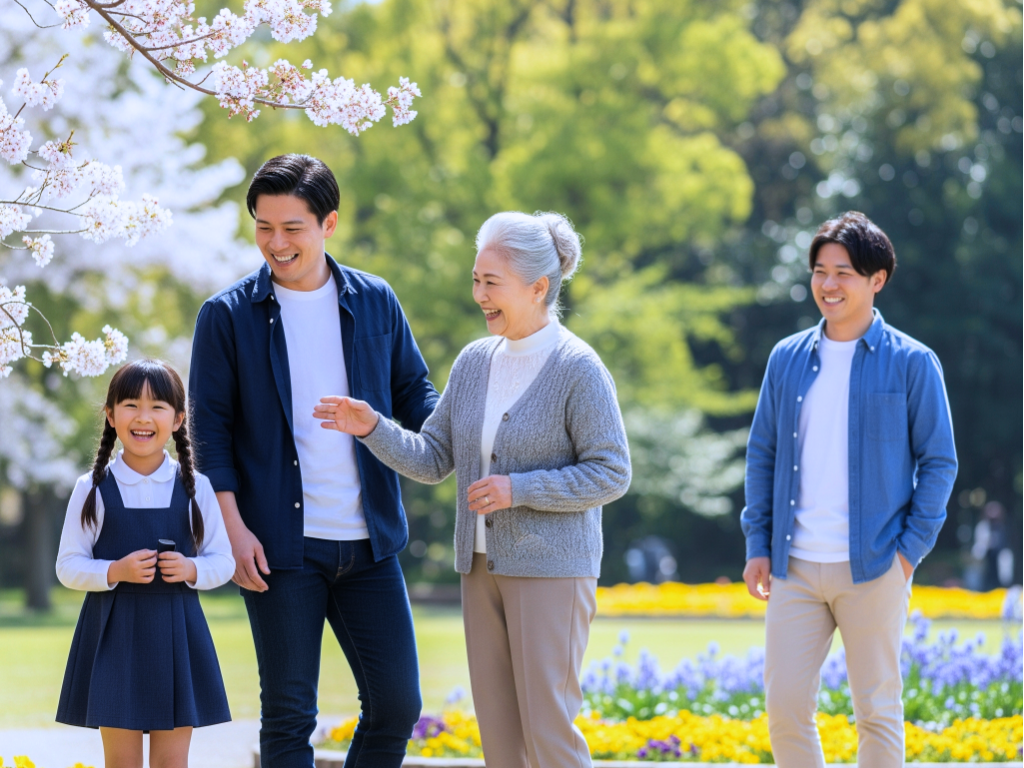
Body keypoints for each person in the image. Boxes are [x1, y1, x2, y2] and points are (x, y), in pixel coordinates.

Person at [314, 210, 632, 768]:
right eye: (476, 279)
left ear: (538, 287)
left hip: (552, 570)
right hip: (479, 568)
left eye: (492, 283)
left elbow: (611, 471)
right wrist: (373, 427)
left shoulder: (578, 367)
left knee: (548, 731)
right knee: (500, 739)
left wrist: (520, 488)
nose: (480, 294)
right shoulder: (473, 362)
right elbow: (436, 459)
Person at [188, 154, 439, 768]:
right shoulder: (226, 316)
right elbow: (209, 432)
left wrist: (474, 437)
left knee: (396, 706)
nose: (276, 243)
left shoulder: (376, 300)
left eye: (292, 228)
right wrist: (234, 528)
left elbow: (419, 396)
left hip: (370, 543)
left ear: (328, 224)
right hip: (277, 546)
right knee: (289, 718)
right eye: (263, 227)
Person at [740, 211, 957, 768]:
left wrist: (908, 554)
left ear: (876, 279)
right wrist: (758, 543)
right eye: (820, 271)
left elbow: (939, 462)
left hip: (876, 565)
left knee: (877, 712)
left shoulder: (913, 363)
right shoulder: (786, 359)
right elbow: (763, 454)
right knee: (786, 707)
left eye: (844, 273)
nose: (829, 284)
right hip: (794, 566)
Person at [55, 359, 234, 768]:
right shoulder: (92, 488)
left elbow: (222, 561)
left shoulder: (196, 487)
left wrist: (191, 569)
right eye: (131, 404)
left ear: (178, 418)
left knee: (173, 763)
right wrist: (114, 571)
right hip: (113, 638)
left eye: (157, 407)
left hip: (178, 635)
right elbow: (68, 564)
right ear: (110, 414)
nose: (143, 417)